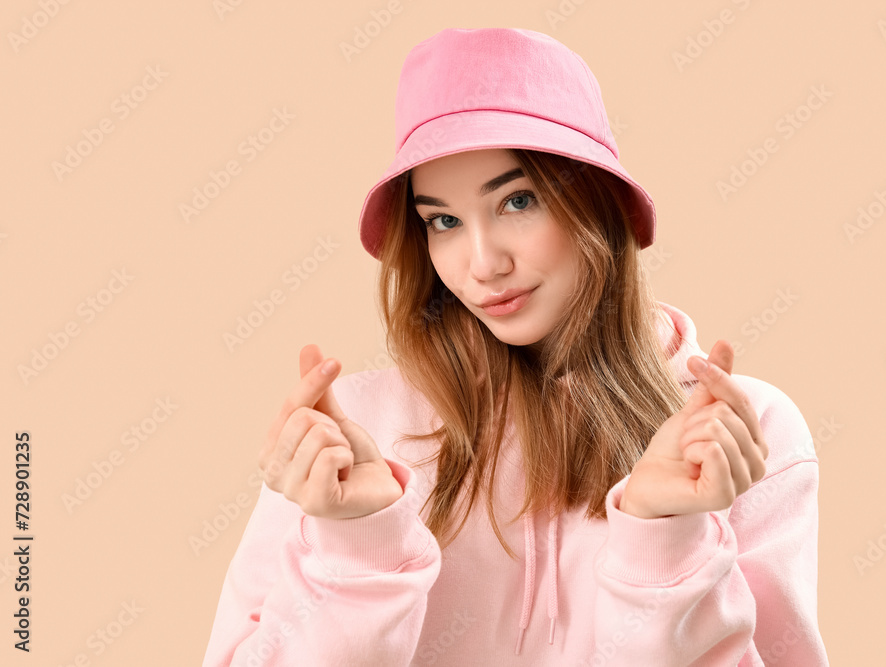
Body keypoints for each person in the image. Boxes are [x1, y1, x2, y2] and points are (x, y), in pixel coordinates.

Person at [202, 27, 829, 666]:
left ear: (598, 198)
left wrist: (665, 547)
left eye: (517, 201)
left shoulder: (742, 433)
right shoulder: (354, 435)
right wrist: (356, 550)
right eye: (442, 220)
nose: (482, 263)